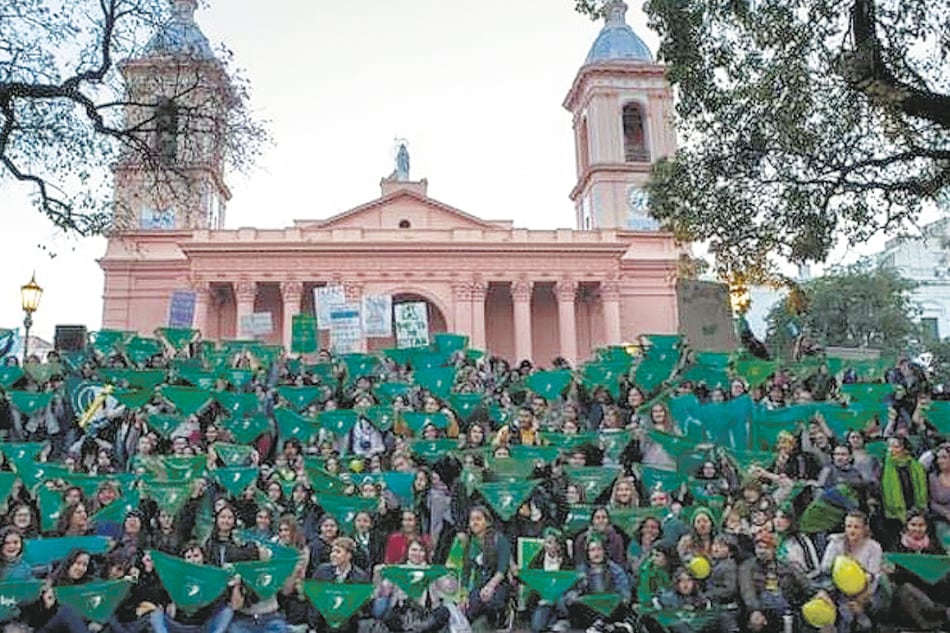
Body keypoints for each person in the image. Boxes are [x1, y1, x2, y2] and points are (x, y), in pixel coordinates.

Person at [819, 511, 882, 632]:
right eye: (849, 526)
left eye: (856, 527)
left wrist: (860, 601)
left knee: (864, 624)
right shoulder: (836, 543)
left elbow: (874, 578)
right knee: (846, 617)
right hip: (837, 590)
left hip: (865, 592)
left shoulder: (874, 547)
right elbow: (825, 569)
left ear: (865, 529)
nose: (852, 530)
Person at [460, 506, 511, 626]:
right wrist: (464, 595)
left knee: (490, 603)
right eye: (472, 520)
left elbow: (502, 569)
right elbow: (465, 572)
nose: (474, 522)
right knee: (468, 609)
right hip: (479, 585)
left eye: (478, 519)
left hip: (498, 584)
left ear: (487, 522)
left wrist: (490, 587)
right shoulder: (469, 543)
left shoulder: (499, 539)